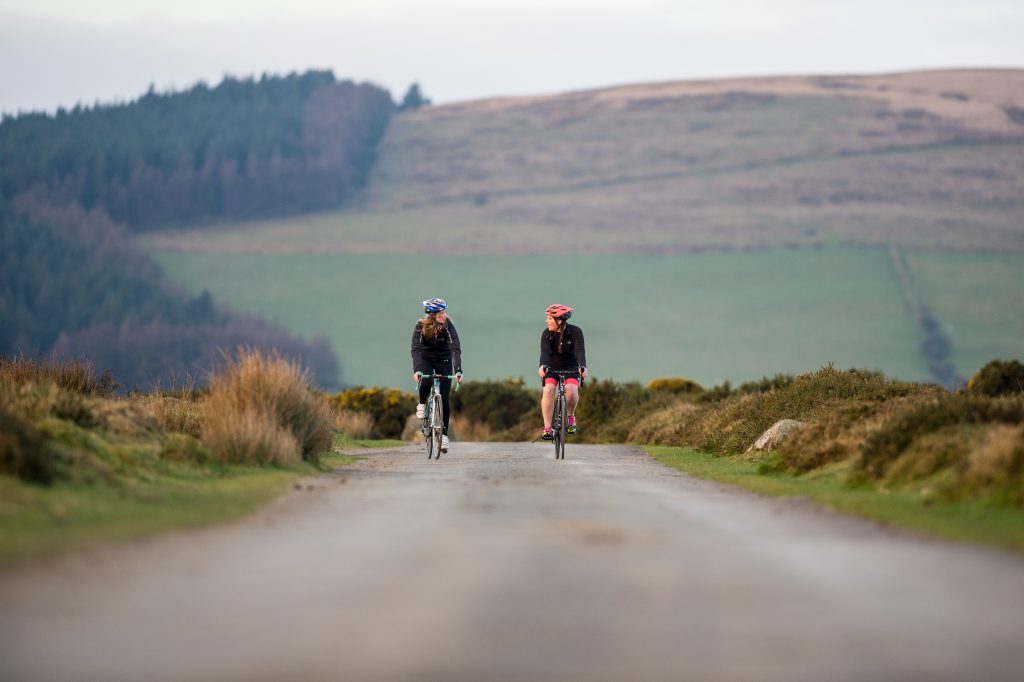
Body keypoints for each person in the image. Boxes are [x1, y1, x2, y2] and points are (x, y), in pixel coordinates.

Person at [411, 297, 463, 452]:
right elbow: (416, 349)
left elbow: (455, 347)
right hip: (426, 359)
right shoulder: (420, 326)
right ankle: (421, 403)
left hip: (444, 359)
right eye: (441, 314)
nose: (444, 316)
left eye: (445, 312)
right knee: (426, 381)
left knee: (445, 398)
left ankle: (444, 436)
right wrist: (418, 370)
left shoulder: (448, 325)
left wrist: (458, 370)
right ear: (432, 315)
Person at [537, 303, 588, 440]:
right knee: (548, 390)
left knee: (571, 390)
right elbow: (544, 352)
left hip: (571, 367)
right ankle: (547, 428)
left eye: (549, 318)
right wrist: (543, 365)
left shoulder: (576, 332)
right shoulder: (546, 333)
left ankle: (571, 418)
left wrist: (583, 366)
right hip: (551, 367)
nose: (547, 321)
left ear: (559, 321)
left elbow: (579, 351)